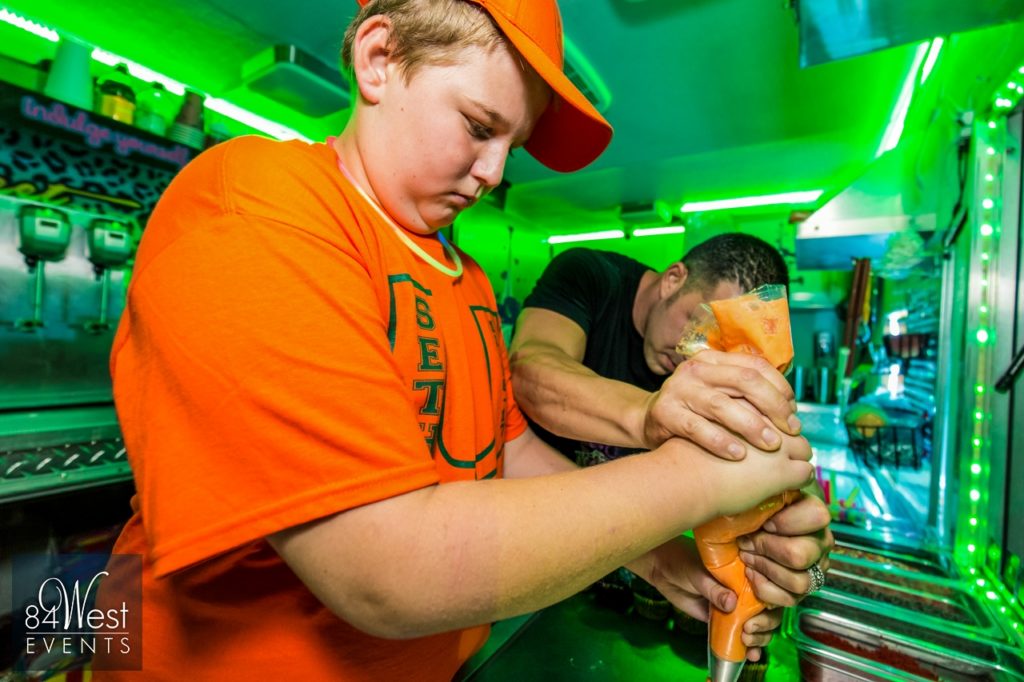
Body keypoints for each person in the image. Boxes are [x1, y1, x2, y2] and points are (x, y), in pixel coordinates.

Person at [92, 1, 815, 680]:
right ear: (379, 58)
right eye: (478, 125)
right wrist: (704, 477)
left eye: (512, 144)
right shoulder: (258, 204)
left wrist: (662, 560)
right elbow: (385, 568)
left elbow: (504, 452)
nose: (496, 173)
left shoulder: (460, 275)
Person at [510, 235, 834, 608]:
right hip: (535, 553)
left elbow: (766, 451)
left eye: (716, 344)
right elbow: (530, 369)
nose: (689, 354)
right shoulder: (591, 275)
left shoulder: (705, 361)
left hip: (640, 574)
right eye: (696, 325)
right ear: (673, 279)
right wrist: (649, 414)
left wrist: (799, 527)